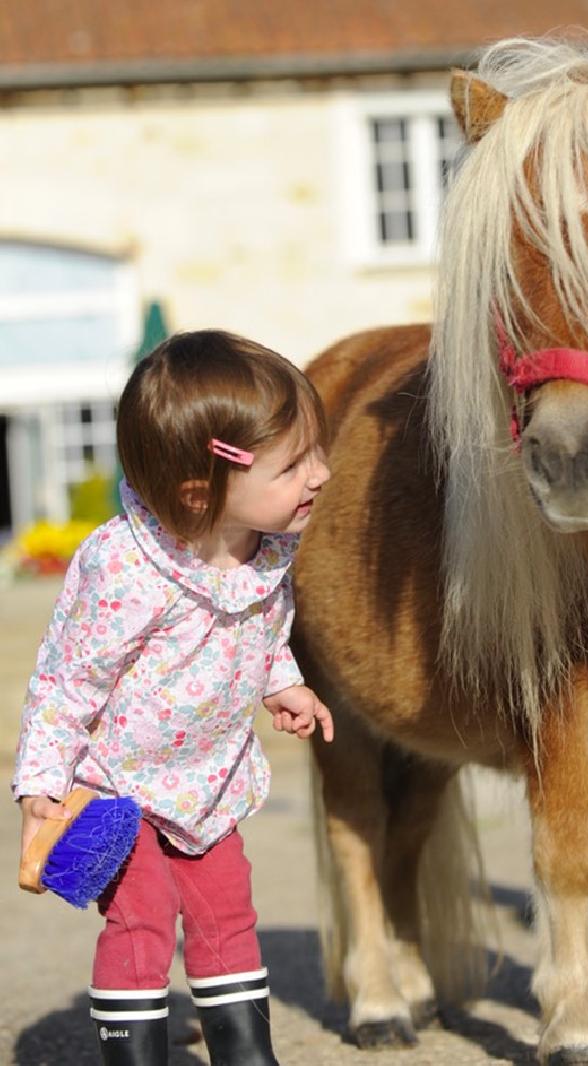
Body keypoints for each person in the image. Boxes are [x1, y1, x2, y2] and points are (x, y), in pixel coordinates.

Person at [12, 329, 334, 1066]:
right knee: (143, 919)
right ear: (201, 490)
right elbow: (66, 679)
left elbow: (257, 630)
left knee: (228, 910)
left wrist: (282, 681)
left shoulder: (268, 547)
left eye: (318, 451)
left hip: (207, 782)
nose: (320, 475)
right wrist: (42, 781)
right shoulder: (126, 569)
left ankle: (246, 1052)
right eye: (294, 465)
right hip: (117, 789)